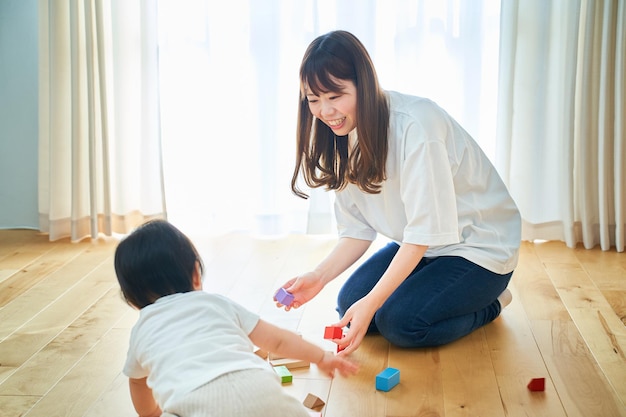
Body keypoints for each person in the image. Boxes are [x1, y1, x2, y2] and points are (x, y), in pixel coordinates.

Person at [275, 30, 521, 356]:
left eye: (335, 96)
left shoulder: (417, 125)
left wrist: (375, 301)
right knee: (350, 305)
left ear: (364, 84)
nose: (324, 111)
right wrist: (318, 277)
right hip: (422, 245)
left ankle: (493, 304)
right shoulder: (341, 133)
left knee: (401, 323)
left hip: (477, 247)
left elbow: (423, 232)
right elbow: (357, 231)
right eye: (313, 99)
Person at [114, 219, 358, 417]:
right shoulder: (217, 304)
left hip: (192, 404)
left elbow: (137, 383)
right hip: (260, 392)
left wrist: (152, 413)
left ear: (133, 301)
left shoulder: (141, 331)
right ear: (196, 275)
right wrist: (321, 356)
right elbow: (279, 341)